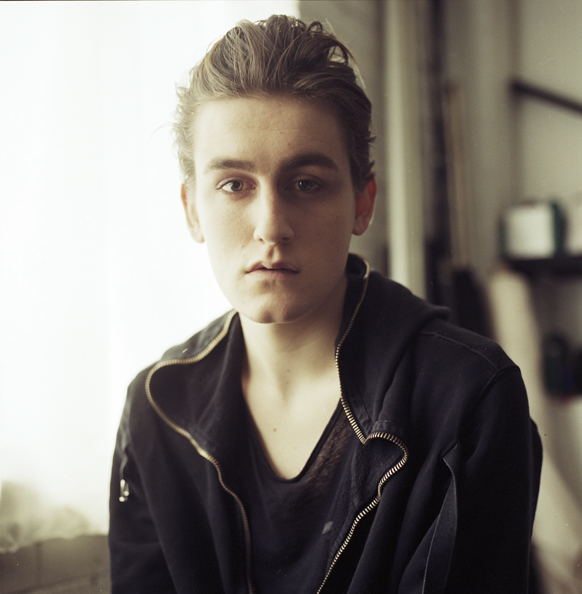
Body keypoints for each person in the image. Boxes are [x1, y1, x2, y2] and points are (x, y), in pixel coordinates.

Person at [109, 15, 542, 594]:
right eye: (235, 184)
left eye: (306, 183)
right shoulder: (155, 407)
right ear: (192, 209)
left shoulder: (468, 399)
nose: (271, 226)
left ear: (363, 203)